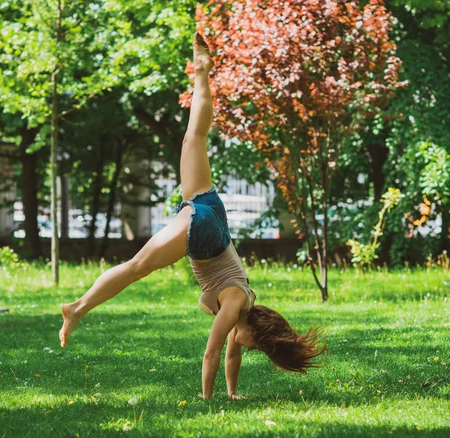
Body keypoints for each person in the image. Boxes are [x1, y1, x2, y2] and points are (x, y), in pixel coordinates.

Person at [59, 32, 325, 400]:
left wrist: (232, 393)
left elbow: (232, 352)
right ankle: (77, 307)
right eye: (257, 347)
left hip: (215, 217)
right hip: (204, 233)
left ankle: (202, 73)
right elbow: (213, 351)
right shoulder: (234, 304)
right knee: (137, 267)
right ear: (257, 332)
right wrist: (207, 400)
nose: (248, 349)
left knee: (193, 138)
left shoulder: (242, 308)